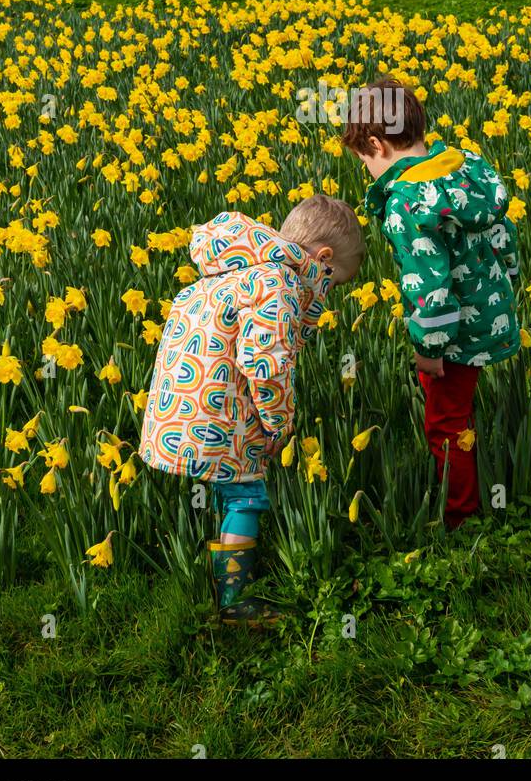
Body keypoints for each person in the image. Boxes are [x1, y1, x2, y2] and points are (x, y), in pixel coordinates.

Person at [139, 198, 365, 623]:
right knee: (248, 497)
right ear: (323, 259)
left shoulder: (230, 271)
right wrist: (279, 422)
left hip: (180, 411)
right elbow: (266, 362)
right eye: (333, 283)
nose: (328, 295)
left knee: (227, 489)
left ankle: (214, 574)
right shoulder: (277, 283)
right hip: (221, 418)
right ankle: (234, 601)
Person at [342, 78, 520, 529]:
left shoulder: (407, 203)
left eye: (363, 159)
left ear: (377, 145)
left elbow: (430, 286)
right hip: (491, 310)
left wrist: (430, 349)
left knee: (445, 423)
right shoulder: (464, 167)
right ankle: (470, 495)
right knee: (459, 411)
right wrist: (507, 285)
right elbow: (503, 234)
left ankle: (460, 518)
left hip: (454, 332)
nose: (366, 168)